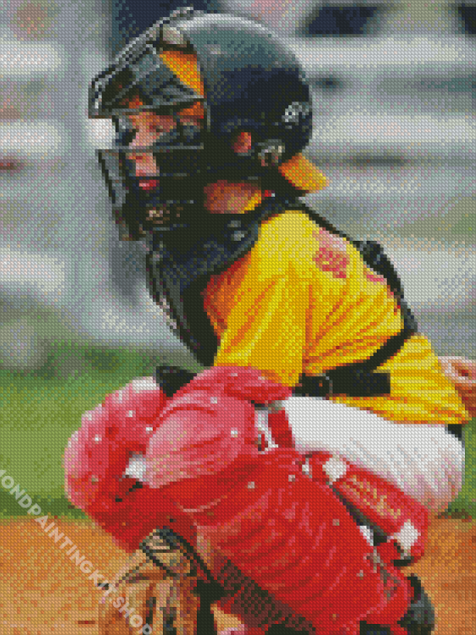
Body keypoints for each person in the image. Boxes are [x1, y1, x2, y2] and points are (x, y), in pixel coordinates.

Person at [65, 7, 474, 635]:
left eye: (164, 125)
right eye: (135, 127)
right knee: (107, 447)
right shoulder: (216, 236)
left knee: (200, 438)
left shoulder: (273, 248)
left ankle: (381, 614)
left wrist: (185, 560)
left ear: (242, 139)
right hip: (350, 423)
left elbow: (229, 420)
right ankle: (284, 617)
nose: (137, 147)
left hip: (404, 441)